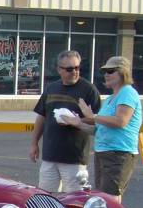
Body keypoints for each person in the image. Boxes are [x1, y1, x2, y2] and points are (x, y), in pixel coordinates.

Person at [67, 56, 142, 203]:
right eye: (104, 71)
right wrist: (78, 123)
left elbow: (121, 121)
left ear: (123, 72)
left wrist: (93, 116)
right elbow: (98, 130)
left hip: (118, 153)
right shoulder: (110, 99)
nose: (106, 74)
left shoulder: (127, 93)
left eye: (111, 71)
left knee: (110, 199)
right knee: (103, 197)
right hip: (103, 152)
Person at [29, 50, 101, 192]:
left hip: (74, 157)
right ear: (59, 69)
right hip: (50, 155)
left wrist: (76, 120)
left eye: (77, 68)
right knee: (46, 196)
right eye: (69, 69)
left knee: (75, 198)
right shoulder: (51, 88)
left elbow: (97, 120)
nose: (74, 72)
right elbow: (42, 116)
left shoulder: (89, 90)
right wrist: (34, 143)